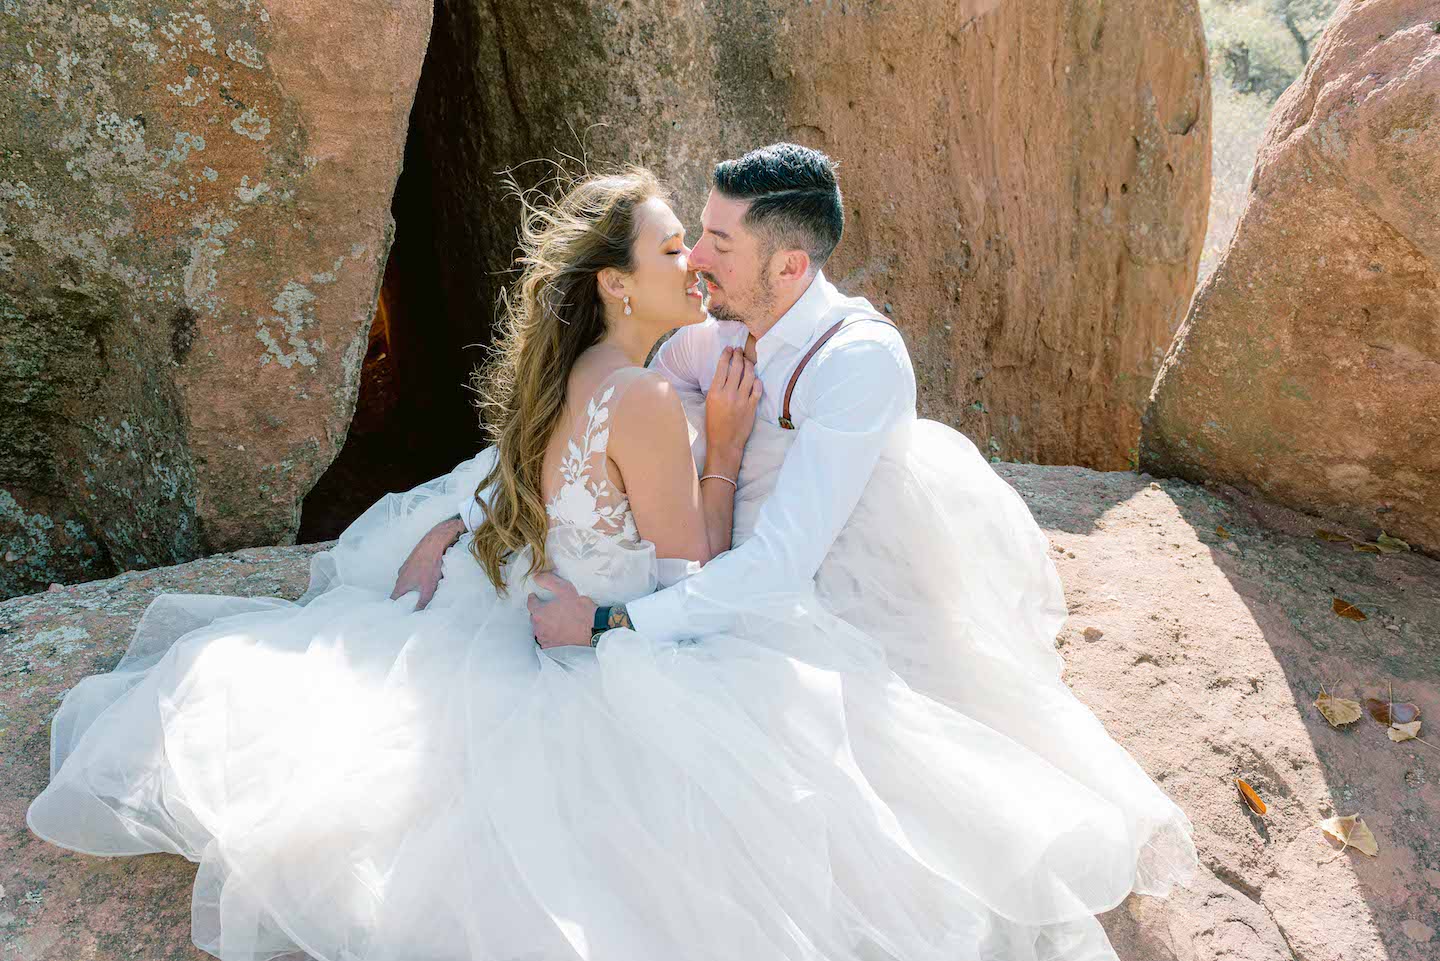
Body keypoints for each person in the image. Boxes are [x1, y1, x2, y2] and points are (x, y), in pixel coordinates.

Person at [27, 155, 1199, 961]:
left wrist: (633, 566)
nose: (696, 259)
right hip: (654, 577)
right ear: (619, 282)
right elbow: (651, 503)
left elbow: (751, 553)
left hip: (775, 559)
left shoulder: (821, 362)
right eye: (681, 241)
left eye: (715, 243)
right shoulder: (674, 355)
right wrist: (668, 478)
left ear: (785, 269)